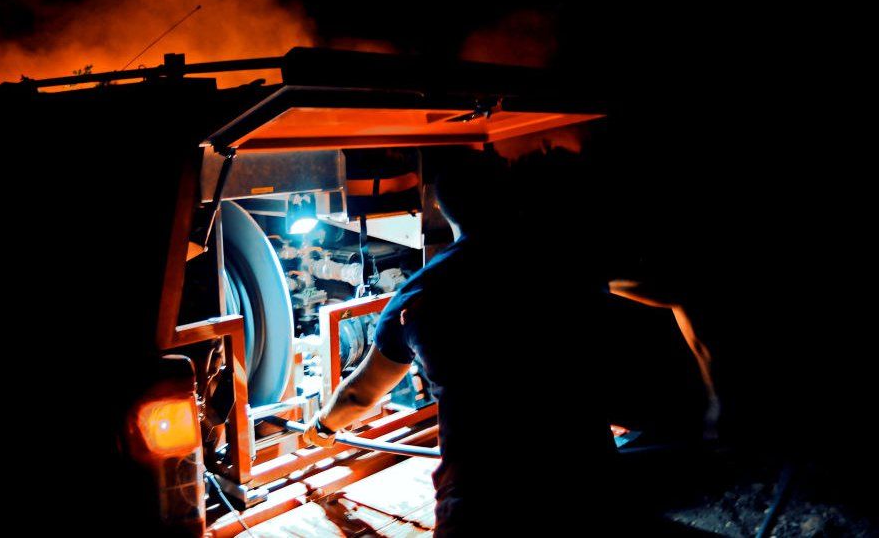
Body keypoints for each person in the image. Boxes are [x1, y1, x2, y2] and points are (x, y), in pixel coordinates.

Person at [303, 147, 718, 535]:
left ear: (438, 208)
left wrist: (321, 427)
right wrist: (718, 401)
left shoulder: (419, 296)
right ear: (509, 199)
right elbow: (677, 292)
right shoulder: (563, 263)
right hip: (585, 487)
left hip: (483, 505)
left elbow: (360, 395)